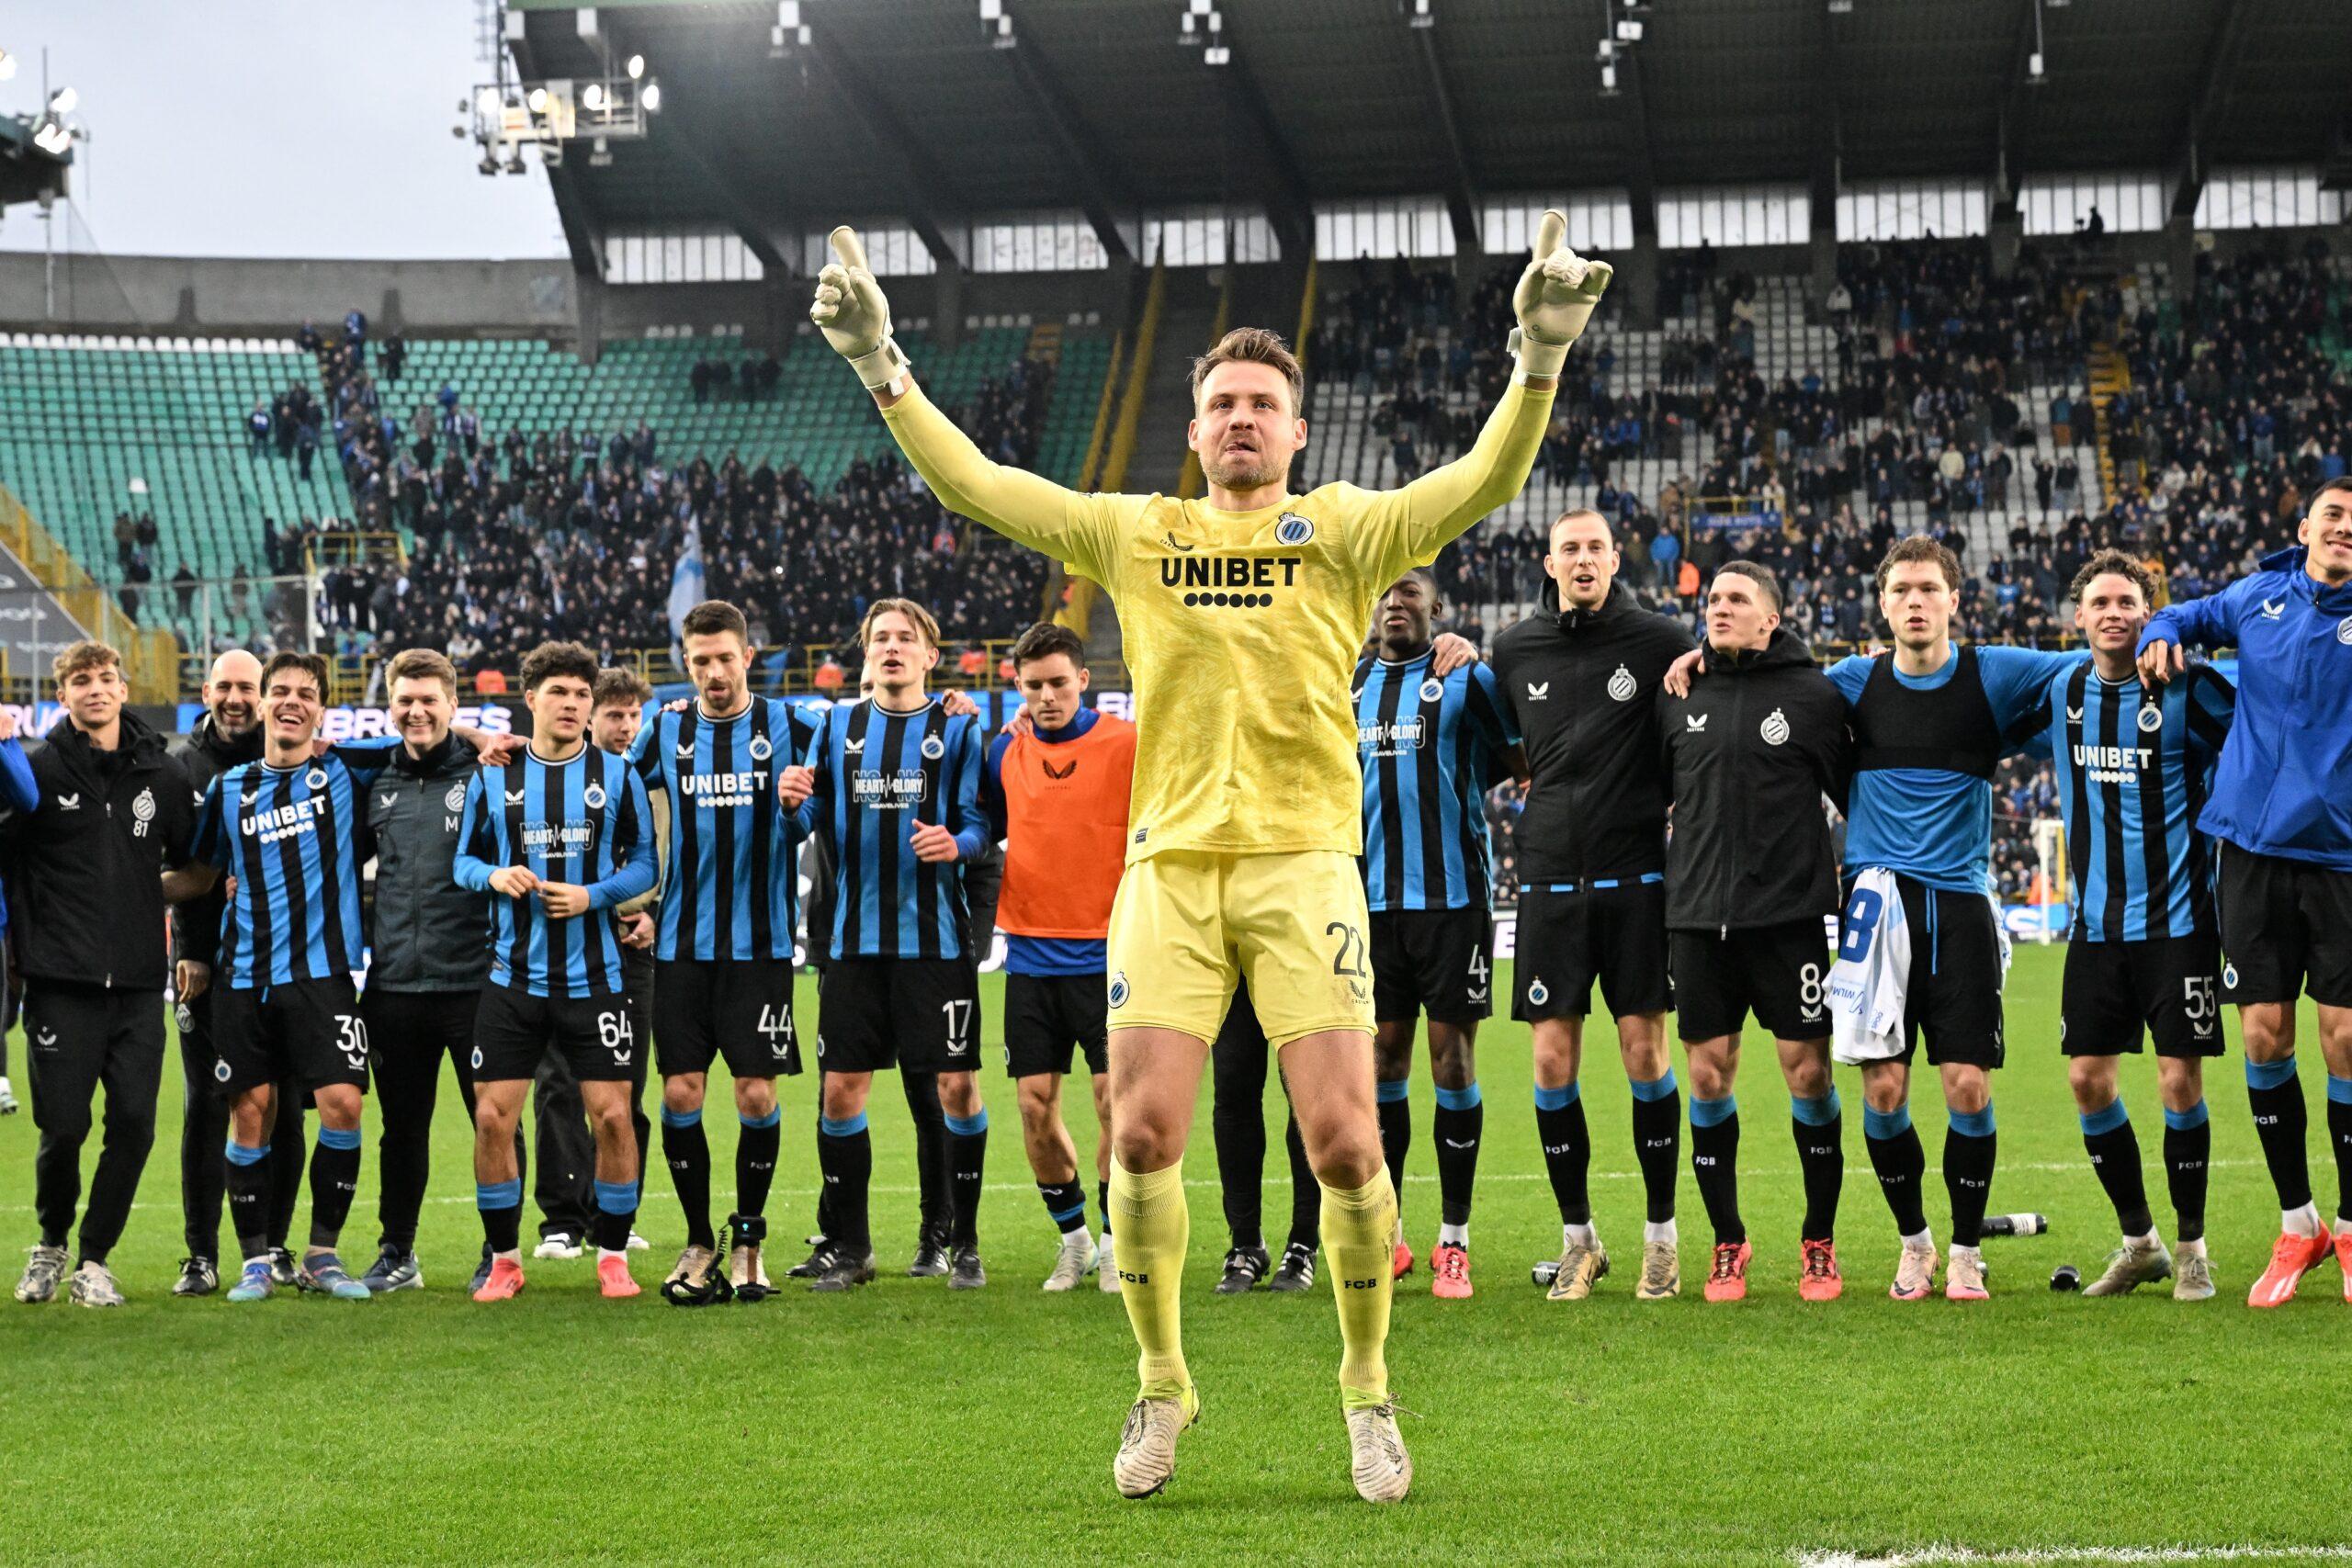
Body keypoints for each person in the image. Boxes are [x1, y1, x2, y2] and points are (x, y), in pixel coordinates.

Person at [815, 209, 1604, 1501]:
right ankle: (1162, 1380)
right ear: (1194, 430)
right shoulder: (1139, 534)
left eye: (1262, 405)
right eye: (1224, 403)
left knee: (1345, 1145)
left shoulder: (1345, 529)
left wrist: (1540, 357)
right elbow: (980, 486)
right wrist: (879, 364)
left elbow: (1481, 482)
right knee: (1138, 1134)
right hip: (1171, 873)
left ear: (1298, 432)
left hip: (1305, 867)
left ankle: (1367, 1390)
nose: (1242, 418)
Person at [1672, 535, 2085, 1301]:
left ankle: (1966, 1250)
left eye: (1929, 588)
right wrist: (1702, 656)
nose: (1915, 601)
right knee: (1884, 1091)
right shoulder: (1848, 683)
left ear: (1954, 599)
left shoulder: (1992, 672)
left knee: (1967, 1085)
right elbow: (1764, 681)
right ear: (1883, 604)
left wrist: (2155, 631)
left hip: (1958, 903)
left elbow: (2084, 664)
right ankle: (1915, 1244)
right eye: (1901, 590)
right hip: (1874, 905)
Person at [2138, 476, 2352, 1306]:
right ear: (2305, 527)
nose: (2345, 528)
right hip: (2251, 852)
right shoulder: (2258, 596)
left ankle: (2350, 1223)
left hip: (2340, 856)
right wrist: (2160, 628)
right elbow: (2184, 615)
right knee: (2264, 1037)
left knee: (2344, 1038)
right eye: (2334, 514)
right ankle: (2299, 1225)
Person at [2012, 551, 2233, 1301]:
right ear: (2078, 617)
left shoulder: (2190, 686)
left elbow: (2261, 738)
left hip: (2180, 923)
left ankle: (2194, 1247)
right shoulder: (2062, 688)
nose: (2113, 613)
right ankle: (2142, 1243)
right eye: (2100, 602)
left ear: (2149, 611)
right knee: (2087, 1079)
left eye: (2127, 602)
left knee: (2179, 1080)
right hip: (2095, 928)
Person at [1491, 510, 1696, 1303]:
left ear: (1615, 560)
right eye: (1569, 548)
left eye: (1595, 548)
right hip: (1548, 879)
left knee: (1645, 1053)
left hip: (1636, 877)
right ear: (1550, 562)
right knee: (1551, 1061)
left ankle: (1661, 1238)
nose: (1583, 559)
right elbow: (1504, 742)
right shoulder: (1514, 648)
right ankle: (1579, 1241)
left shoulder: (1661, 640)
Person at [174, 653, 398, 1303]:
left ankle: (323, 1253)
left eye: (306, 693)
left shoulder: (345, 770)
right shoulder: (230, 788)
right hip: (244, 977)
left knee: (343, 1104)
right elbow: (201, 875)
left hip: (324, 974)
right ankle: (253, 1262)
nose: (292, 701)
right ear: (265, 704)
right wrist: (126, 888)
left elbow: (425, 736)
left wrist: (487, 738)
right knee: (250, 1111)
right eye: (281, 691)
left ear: (321, 709)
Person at [1656, 563, 1853, 1302]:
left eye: (1737, 599)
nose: (1720, 607)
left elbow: (1853, 793)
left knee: (1809, 1074)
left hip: (1788, 921)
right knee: (1708, 1076)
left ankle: (1819, 1241)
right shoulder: (1679, 692)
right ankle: (1727, 1241)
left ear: (1771, 618)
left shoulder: (1813, 695)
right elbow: (1656, 792)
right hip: (1698, 920)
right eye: (1713, 599)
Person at [797, 600, 992, 1292]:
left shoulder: (958, 729)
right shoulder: (836, 726)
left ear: (930, 656)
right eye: (880, 637)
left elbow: (980, 824)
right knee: (840, 1093)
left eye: (906, 638)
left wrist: (956, 843)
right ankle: (852, 1248)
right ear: (866, 652)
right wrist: (792, 801)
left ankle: (962, 1243)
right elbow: (810, 813)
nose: (891, 647)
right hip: (853, 946)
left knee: (956, 1088)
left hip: (935, 945)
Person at [455, 641, 658, 1303]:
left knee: (614, 1118)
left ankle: (613, 1256)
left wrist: (593, 895)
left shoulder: (618, 774)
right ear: (530, 699)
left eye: (581, 695)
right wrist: (493, 875)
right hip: (512, 977)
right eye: (558, 692)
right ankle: (505, 1261)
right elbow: (461, 863)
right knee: (493, 1119)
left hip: (597, 977)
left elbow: (647, 864)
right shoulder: (494, 775)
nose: (572, 704)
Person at [627, 603, 818, 1305]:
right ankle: (698, 1240)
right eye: (700, 660)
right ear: (686, 662)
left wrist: (797, 805)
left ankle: (750, 1242)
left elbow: (821, 800)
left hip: (760, 948)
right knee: (681, 1093)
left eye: (724, 658)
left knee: (756, 1094)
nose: (713, 671)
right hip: (681, 946)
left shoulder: (794, 725)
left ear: (747, 657)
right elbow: (611, 787)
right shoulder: (666, 729)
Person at [3, 643, 198, 1307]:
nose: (95, 688)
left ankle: (94, 1258)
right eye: (80, 680)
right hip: (60, 983)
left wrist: (161, 899)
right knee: (63, 1127)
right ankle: (51, 1242)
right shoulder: (36, 771)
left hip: (140, 985)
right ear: (62, 695)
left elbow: (194, 863)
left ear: (122, 688)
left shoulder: (162, 774)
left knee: (136, 1125)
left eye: (105, 678)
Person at [1354, 571, 1523, 1299]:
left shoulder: (1464, 676)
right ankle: (1389, 1232)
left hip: (1454, 902)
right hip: (1370, 906)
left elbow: (1518, 758)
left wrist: (1457, 783)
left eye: (1410, 591)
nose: (1396, 602)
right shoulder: (1350, 682)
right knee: (1382, 1062)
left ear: (1436, 608)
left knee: (1451, 1060)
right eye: (1385, 593)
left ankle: (1453, 1240)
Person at [980, 621, 1130, 1292]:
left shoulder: (1126, 744)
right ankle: (1075, 1242)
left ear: (1083, 680)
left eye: (1059, 683)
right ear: (1018, 685)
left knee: (1112, 1104)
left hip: (1109, 957)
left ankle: (1116, 1241)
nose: (1047, 697)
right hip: (1030, 959)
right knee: (1034, 1106)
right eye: (1034, 685)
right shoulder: (1003, 751)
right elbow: (984, 825)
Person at [356, 648, 506, 1293]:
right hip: (394, 985)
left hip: (475, 982)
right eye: (405, 700)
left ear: (453, 704)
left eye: (429, 700)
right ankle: (397, 1252)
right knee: (401, 1129)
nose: (416, 712)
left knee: (494, 1120)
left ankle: (499, 1251)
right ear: (389, 706)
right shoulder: (373, 779)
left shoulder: (488, 772)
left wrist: (475, 739)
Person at [164, 650, 308, 1297]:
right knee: (206, 1106)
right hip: (206, 967)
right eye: (224, 686)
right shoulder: (182, 768)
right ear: (206, 691)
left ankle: (275, 1245)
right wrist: (191, 949)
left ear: (265, 694)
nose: (236, 698)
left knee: (286, 1108)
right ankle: (201, 1254)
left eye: (247, 687)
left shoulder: (294, 755)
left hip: (283, 966)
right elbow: (182, 867)